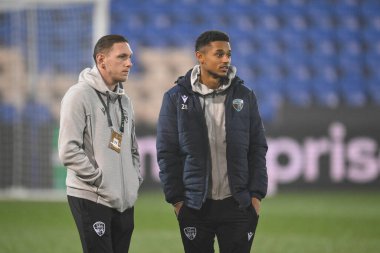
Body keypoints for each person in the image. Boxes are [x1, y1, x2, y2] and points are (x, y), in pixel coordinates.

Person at [156, 30, 268, 253]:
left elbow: (257, 148)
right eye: (219, 54)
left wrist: (255, 197)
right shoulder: (175, 98)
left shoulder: (245, 96)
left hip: (238, 204)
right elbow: (167, 152)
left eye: (228, 54)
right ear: (200, 57)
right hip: (195, 205)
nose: (226, 59)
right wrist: (177, 201)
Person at [58, 34, 142, 253]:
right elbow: (68, 150)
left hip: (123, 200)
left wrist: (133, 181)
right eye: (122, 57)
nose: (129, 63)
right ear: (101, 60)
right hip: (92, 196)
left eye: (130, 57)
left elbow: (132, 148)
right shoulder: (78, 95)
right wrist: (99, 180)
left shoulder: (125, 101)